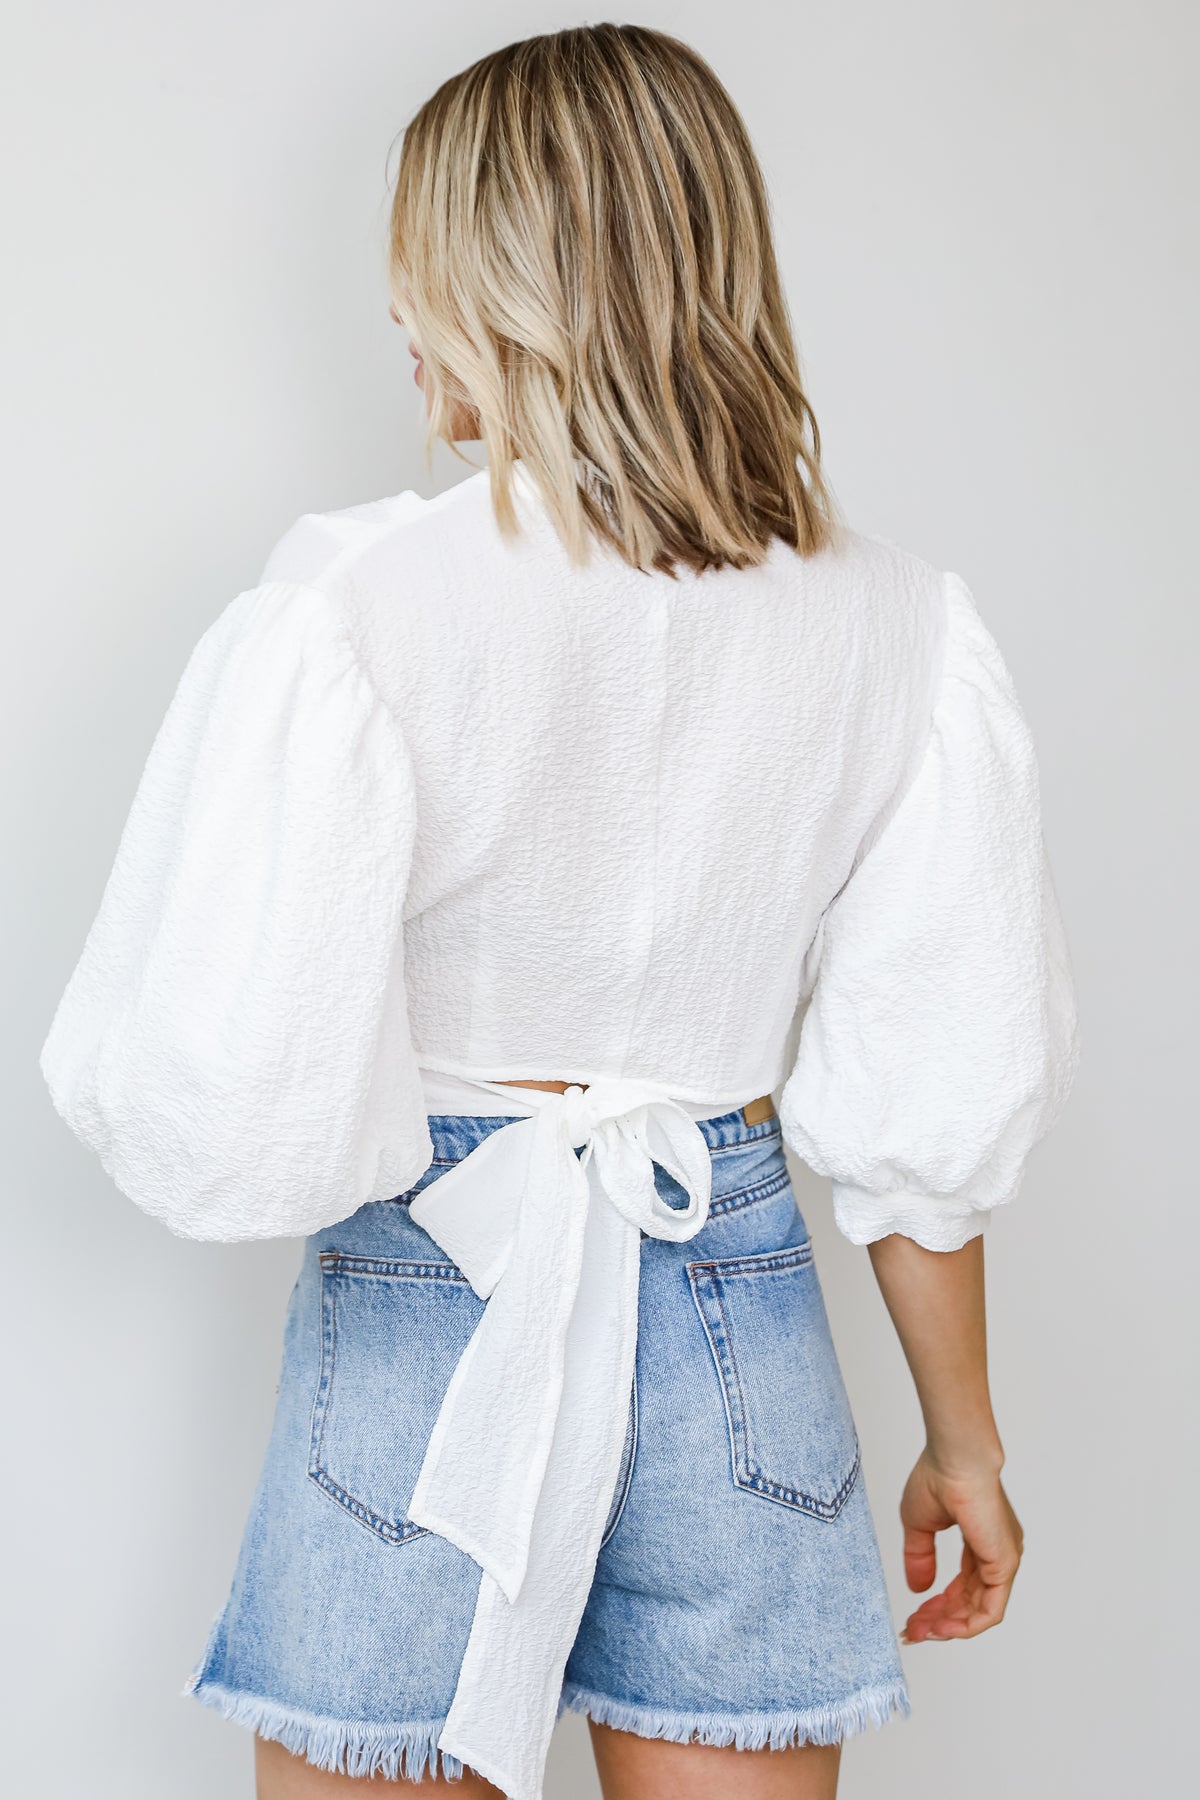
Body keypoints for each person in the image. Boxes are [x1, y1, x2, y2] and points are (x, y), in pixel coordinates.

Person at [39, 22, 1079, 1800]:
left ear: (503, 280)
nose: (399, 316)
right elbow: (932, 1098)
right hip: (738, 1289)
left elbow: (230, 1099)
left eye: (421, 268)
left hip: (438, 1277)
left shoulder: (361, 605)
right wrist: (963, 1442)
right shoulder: (898, 623)